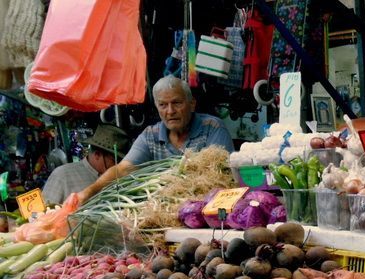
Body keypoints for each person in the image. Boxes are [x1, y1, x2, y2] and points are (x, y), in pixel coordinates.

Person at [77, 76, 234, 203]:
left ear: (192, 104)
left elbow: (222, 176)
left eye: (177, 103)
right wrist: (88, 192)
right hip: (163, 210)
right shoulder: (150, 135)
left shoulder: (212, 127)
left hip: (203, 207)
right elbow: (123, 169)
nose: (170, 111)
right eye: (163, 105)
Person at [42, 124, 131, 206]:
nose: (118, 165)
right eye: (114, 160)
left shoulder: (120, 178)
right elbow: (43, 215)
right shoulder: (62, 175)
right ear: (97, 154)